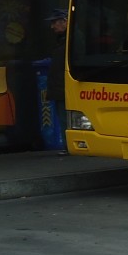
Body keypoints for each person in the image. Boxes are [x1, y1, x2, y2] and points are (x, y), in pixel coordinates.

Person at [46, 8, 69, 154]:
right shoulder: (62, 40)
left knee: (65, 117)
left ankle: (69, 146)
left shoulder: (69, 40)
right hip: (60, 86)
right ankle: (68, 145)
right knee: (63, 117)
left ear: (65, 22)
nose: (52, 26)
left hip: (64, 86)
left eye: (55, 22)